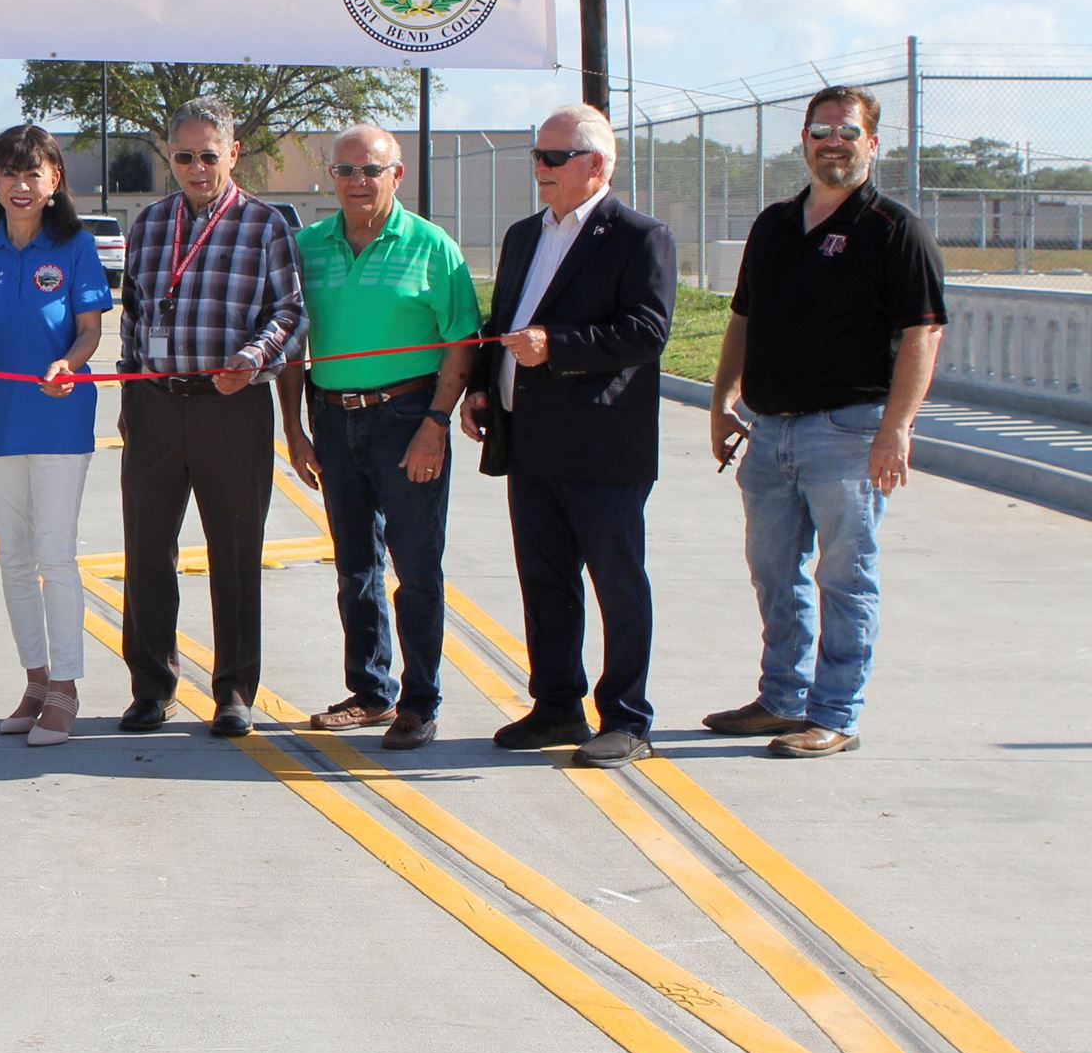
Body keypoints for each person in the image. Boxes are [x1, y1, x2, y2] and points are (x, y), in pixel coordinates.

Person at [703, 86, 946, 759]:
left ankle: (835, 712)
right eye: (820, 130)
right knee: (772, 571)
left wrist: (896, 427)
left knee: (845, 575)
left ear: (872, 143)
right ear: (803, 140)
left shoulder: (896, 231)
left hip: (848, 431)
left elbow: (924, 334)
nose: (832, 141)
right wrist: (724, 398)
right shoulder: (775, 226)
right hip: (769, 429)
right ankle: (782, 697)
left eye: (847, 131)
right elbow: (743, 318)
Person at [462, 103, 676, 768]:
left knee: (616, 581)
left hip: (602, 445)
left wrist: (557, 345)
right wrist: (479, 382)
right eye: (536, 156)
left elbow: (645, 331)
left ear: (597, 164)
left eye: (554, 158)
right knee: (545, 578)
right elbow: (503, 317)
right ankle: (556, 702)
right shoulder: (526, 234)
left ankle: (627, 716)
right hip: (529, 440)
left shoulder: (639, 236)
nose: (541, 169)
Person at [279, 125, 480, 753]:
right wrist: (294, 428)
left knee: (416, 566)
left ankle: (420, 702)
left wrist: (435, 426)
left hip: (408, 416)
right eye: (344, 171)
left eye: (370, 170)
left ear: (397, 174)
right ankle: (370, 691)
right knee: (354, 564)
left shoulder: (432, 246)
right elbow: (291, 343)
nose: (357, 182)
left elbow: (461, 343)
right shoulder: (306, 247)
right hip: (332, 418)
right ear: (329, 178)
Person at [114, 100, 305, 739]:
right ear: (170, 158)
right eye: (184, 157)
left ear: (234, 154)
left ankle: (233, 692)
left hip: (231, 405)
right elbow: (135, 315)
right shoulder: (148, 224)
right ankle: (151, 687)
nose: (197, 169)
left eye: (208, 156)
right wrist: (131, 399)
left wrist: (251, 361)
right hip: (156, 406)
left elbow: (290, 314)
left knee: (235, 552)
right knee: (146, 552)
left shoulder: (264, 225)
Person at [0, 124, 111, 749]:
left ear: (54, 181)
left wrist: (71, 362)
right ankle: (35, 681)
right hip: (0, 420)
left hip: (60, 418)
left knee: (54, 554)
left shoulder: (75, 244)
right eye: (9, 173)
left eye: (33, 173)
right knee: (12, 556)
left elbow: (89, 331)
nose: (20, 185)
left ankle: (66, 687)